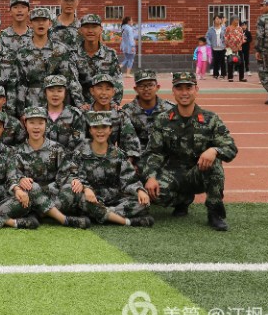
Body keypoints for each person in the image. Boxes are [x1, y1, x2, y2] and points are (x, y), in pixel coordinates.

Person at [142, 72, 238, 231]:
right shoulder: (163, 119)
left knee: (215, 164)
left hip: (199, 172)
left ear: (196, 90)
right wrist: (150, 176)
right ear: (173, 91)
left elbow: (230, 147)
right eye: (179, 88)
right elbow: (154, 152)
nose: (184, 93)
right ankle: (183, 200)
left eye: (189, 88)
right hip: (173, 172)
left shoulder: (210, 119)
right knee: (155, 194)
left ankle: (215, 212)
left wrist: (214, 150)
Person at [59, 111, 153, 227]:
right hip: (90, 198)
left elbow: (129, 179)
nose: (100, 131)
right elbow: (68, 173)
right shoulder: (80, 152)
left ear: (110, 130)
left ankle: (98, 214)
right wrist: (85, 187)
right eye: (96, 127)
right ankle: (126, 221)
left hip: (113, 201)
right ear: (90, 130)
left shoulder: (118, 154)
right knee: (74, 196)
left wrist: (139, 190)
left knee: (143, 203)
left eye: (104, 127)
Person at [121, 70, 174, 151]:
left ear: (157, 87)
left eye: (150, 85)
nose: (146, 89)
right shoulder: (127, 111)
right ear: (135, 89)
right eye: (141, 86)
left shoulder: (169, 109)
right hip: (137, 157)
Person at [224, 17, 246, 82]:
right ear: (232, 21)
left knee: (241, 62)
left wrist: (238, 46)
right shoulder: (228, 28)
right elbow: (226, 39)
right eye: (236, 20)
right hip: (230, 48)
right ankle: (230, 77)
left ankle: (241, 77)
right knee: (230, 62)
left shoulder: (240, 29)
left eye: (238, 20)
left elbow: (242, 38)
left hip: (239, 48)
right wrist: (232, 47)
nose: (237, 21)